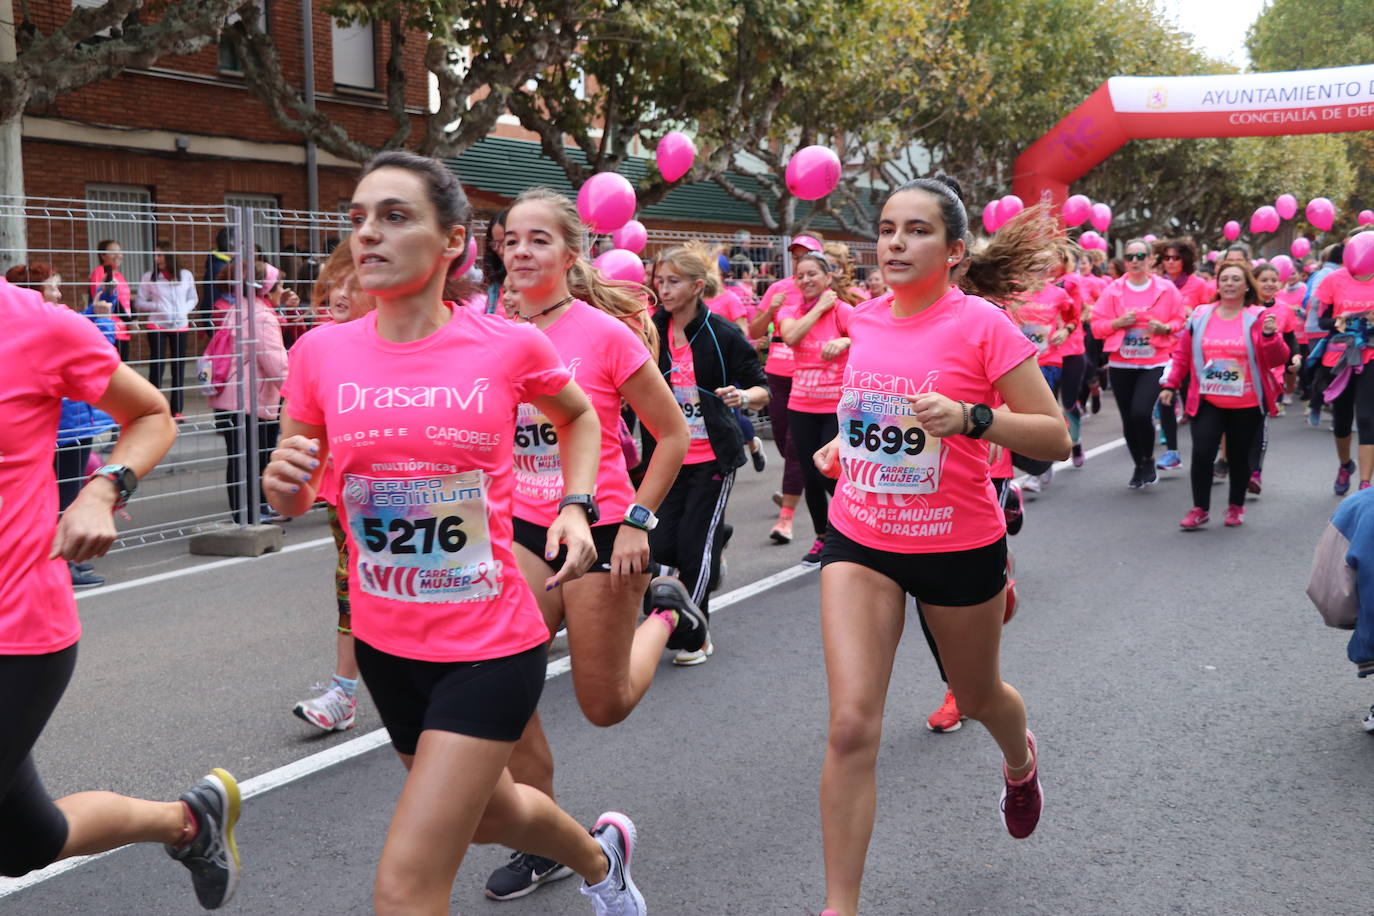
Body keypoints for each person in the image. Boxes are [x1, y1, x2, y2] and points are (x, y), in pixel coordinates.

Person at [265, 150, 644, 915]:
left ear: (453, 242)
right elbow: (298, 487)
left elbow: (577, 417)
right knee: (491, 816)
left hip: (489, 643)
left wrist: (576, 502)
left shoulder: (507, 345)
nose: (368, 235)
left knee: (405, 887)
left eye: (394, 217)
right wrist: (283, 485)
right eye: (359, 219)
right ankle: (601, 858)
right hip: (385, 642)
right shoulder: (318, 354)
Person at [809, 181, 1069, 916]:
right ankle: (840, 907)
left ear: (954, 252)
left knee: (980, 696)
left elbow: (1054, 437)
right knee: (851, 725)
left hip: (958, 542)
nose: (893, 243)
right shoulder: (863, 319)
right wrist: (842, 443)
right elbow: (872, 415)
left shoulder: (982, 324)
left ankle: (1020, 762)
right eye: (886, 229)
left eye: (915, 231)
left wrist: (971, 418)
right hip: (861, 535)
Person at [480, 186, 695, 900]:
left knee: (604, 705)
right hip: (522, 531)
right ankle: (541, 838)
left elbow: (671, 435)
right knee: (499, 681)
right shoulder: (490, 333)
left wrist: (638, 520)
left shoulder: (605, 336)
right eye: (511, 239)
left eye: (538, 240)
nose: (520, 251)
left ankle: (666, 612)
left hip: (604, 525)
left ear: (572, 254)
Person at [0, 274, 240, 909]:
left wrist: (102, 491)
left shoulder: (37, 325)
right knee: (24, 844)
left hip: (15, 627)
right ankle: (188, 823)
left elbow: (152, 413)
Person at [645, 241, 771, 664]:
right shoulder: (647, 329)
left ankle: (694, 633)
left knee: (693, 548)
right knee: (661, 546)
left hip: (712, 457)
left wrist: (742, 396)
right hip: (665, 456)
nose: (663, 289)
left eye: (674, 281)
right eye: (660, 280)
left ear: (697, 286)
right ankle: (714, 545)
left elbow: (762, 388)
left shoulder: (723, 334)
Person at [290, 245, 378, 733]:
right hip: (346, 493)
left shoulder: (413, 342)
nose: (340, 294)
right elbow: (301, 432)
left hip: (424, 495)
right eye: (333, 283)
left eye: (353, 283)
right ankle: (343, 694)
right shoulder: (315, 347)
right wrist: (291, 472)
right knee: (351, 584)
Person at [1161, 261, 1287, 529]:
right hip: (1209, 399)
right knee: (1203, 452)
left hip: (1247, 402)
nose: (1229, 283)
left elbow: (1278, 358)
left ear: (1245, 286)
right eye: (1225, 279)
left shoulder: (1258, 317)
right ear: (1217, 285)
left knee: (1239, 457)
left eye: (1235, 279)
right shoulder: (1200, 316)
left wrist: (1270, 336)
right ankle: (1200, 509)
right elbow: (1183, 354)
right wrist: (1171, 384)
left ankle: (1235, 506)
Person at [779, 252, 859, 566]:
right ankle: (822, 538)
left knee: (831, 470)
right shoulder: (791, 309)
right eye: (801, 275)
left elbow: (869, 337)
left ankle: (852, 525)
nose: (806, 280)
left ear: (828, 279)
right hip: (801, 404)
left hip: (835, 407)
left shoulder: (844, 311)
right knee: (811, 474)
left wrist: (845, 342)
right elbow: (791, 336)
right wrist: (819, 309)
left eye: (813, 274)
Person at [1089, 238, 1187, 488]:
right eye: (1130, 257)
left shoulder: (1166, 289)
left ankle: (1149, 458)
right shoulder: (1113, 290)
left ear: (1150, 259)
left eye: (1140, 256)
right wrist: (1117, 323)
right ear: (1125, 262)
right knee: (1128, 420)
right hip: (1121, 363)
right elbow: (1097, 326)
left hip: (1154, 362)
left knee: (1141, 413)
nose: (1134, 261)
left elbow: (1180, 320)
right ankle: (1140, 464)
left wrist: (1165, 327)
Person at [748, 237, 822, 544]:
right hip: (777, 373)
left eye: (806, 255)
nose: (799, 260)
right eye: (795, 255)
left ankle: (787, 516)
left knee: (794, 446)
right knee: (782, 439)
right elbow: (753, 331)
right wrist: (770, 313)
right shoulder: (778, 288)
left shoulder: (827, 295)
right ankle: (804, 473)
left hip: (808, 377)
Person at [208, 261, 289, 524]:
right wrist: (296, 392)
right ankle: (251, 513)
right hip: (251, 399)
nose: (282, 290)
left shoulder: (237, 309)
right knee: (255, 457)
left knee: (241, 457)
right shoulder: (262, 317)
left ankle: (252, 509)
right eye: (280, 286)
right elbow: (276, 363)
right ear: (267, 289)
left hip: (228, 397)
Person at [1314, 234, 1374, 493]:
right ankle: (1344, 464)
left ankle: (1364, 484)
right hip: (1339, 357)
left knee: (1366, 418)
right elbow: (1322, 320)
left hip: (1370, 355)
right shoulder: (1333, 280)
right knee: (1342, 420)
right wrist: (1339, 321)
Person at [137, 242, 197, 419]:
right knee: (157, 367)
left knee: (178, 368)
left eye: (160, 255)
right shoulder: (149, 277)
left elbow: (193, 298)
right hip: (157, 326)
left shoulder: (185, 275)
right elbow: (140, 302)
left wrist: (182, 311)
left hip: (180, 325)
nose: (156, 259)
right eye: (155, 255)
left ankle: (176, 410)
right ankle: (153, 409)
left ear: (170, 255)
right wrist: (158, 306)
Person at [87, 240, 133, 362]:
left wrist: (132, 319)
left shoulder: (119, 275)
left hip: (123, 331)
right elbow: (106, 298)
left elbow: (126, 299)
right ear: (103, 255)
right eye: (113, 252)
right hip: (110, 328)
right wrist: (128, 320)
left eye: (119, 251)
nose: (118, 255)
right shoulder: (100, 272)